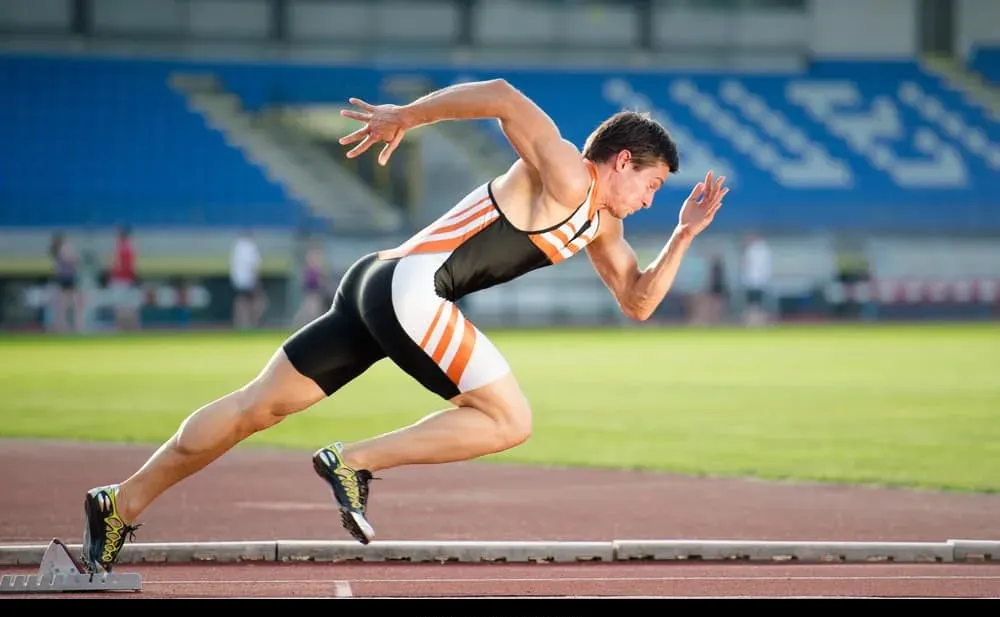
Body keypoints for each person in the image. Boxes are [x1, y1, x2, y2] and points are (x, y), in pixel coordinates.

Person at [79, 78, 729, 574]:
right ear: (621, 161)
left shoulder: (602, 227)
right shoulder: (565, 171)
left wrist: (681, 235)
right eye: (652, 185)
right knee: (510, 420)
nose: (651, 200)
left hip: (374, 283)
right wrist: (407, 116)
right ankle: (353, 463)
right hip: (412, 291)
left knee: (256, 408)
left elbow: (638, 300)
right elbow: (503, 96)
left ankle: (121, 504)